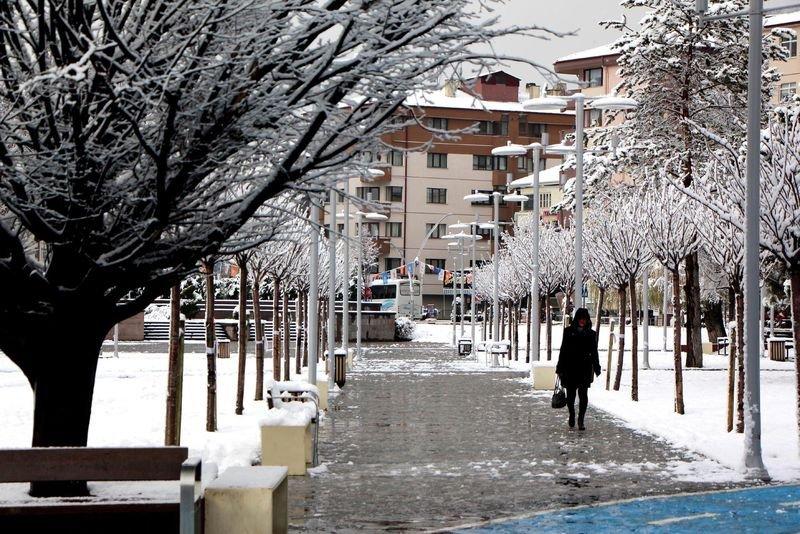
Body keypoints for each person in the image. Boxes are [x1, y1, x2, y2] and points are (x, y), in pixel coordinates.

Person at [556, 307, 601, 431]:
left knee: (583, 394)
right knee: (570, 396)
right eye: (580, 318)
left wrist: (597, 367)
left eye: (584, 318)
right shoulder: (568, 331)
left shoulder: (591, 334)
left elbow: (594, 352)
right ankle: (572, 414)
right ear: (576, 319)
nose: (582, 321)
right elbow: (563, 350)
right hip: (570, 367)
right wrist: (559, 368)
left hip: (585, 368)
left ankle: (581, 419)